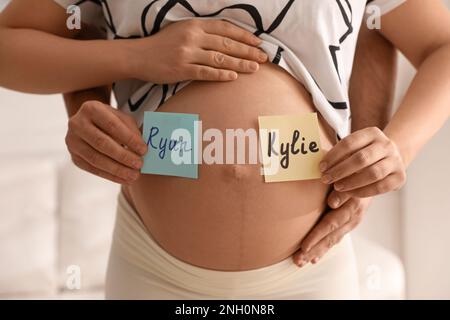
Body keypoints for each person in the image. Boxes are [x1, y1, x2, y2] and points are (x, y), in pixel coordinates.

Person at [0, 0, 448, 299]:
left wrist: (396, 151)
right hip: (153, 267)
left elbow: (436, 44)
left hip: (309, 270)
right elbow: (12, 45)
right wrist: (135, 57)